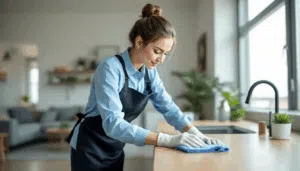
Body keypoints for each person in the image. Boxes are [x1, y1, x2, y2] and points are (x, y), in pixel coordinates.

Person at [66, 3, 224, 171]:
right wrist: (168, 139)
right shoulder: (110, 68)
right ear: (139, 42)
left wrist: (196, 134)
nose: (161, 59)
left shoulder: (149, 73)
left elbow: (168, 107)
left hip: (115, 146)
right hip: (90, 145)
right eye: (157, 51)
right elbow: (112, 124)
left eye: (165, 54)